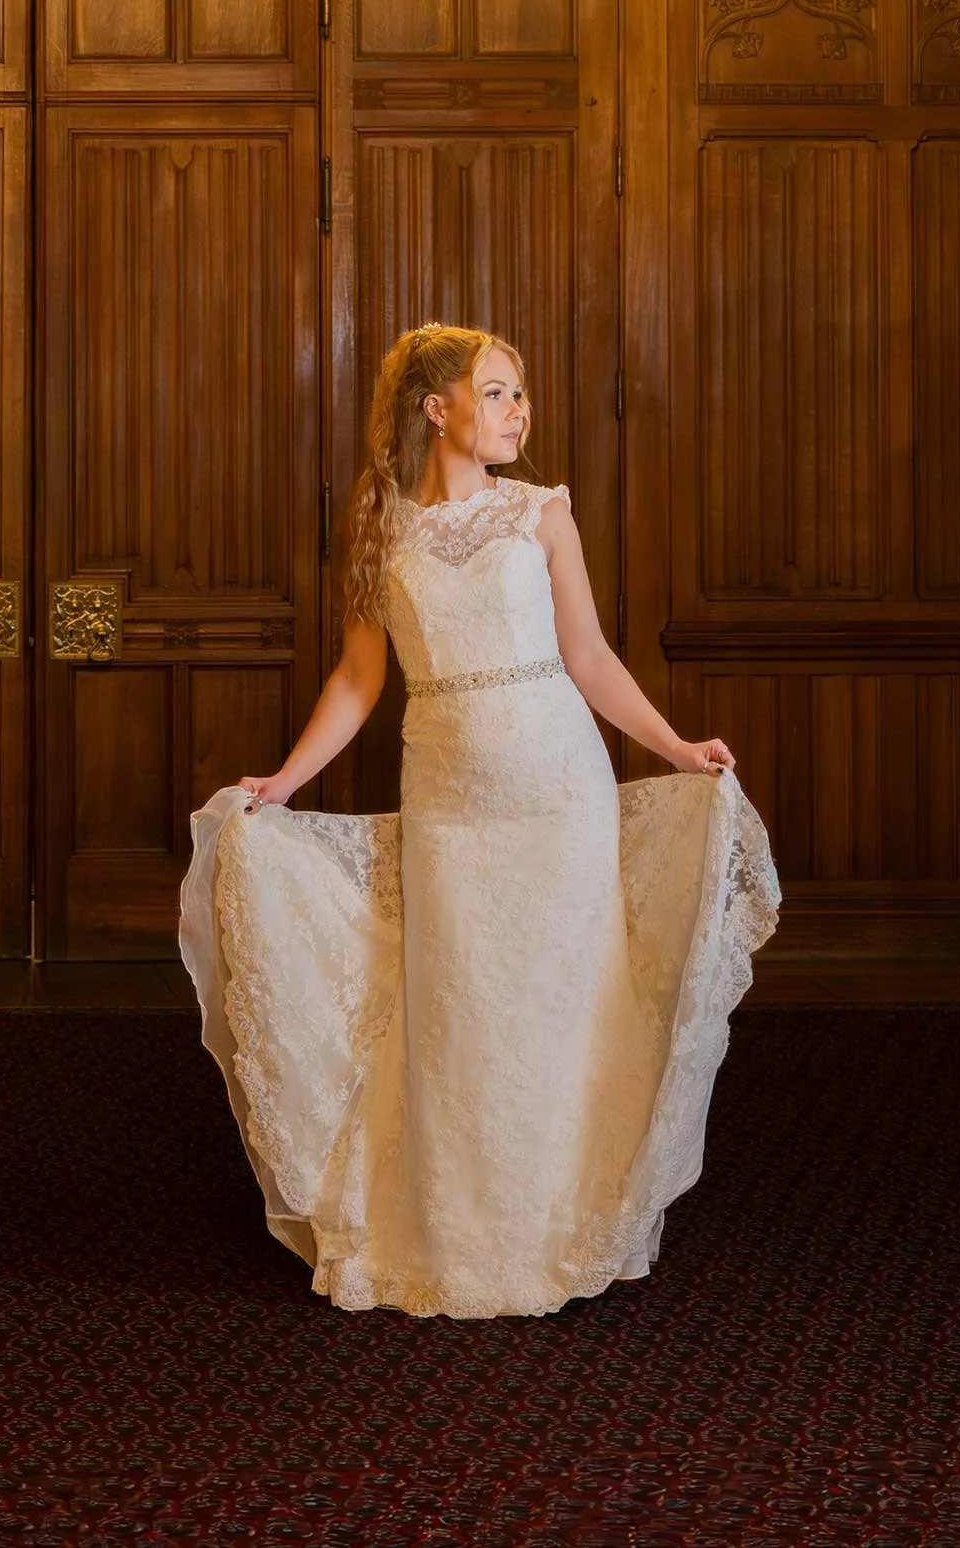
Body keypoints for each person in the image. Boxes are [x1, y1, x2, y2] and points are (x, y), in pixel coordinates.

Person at [179, 322, 780, 1319]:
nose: (517, 411)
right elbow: (361, 676)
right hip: (450, 806)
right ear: (436, 408)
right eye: (496, 392)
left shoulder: (540, 514)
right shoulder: (381, 525)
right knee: (460, 1010)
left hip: (557, 792)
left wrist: (674, 748)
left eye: (518, 393)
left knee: (559, 1003)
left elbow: (588, 657)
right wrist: (284, 777)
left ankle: (560, 1227)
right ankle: (458, 1238)